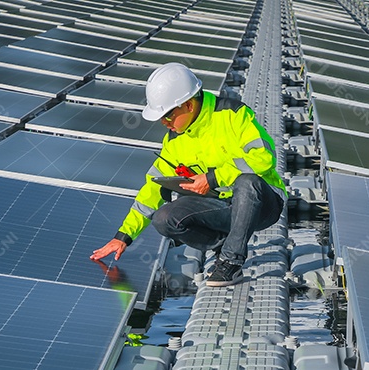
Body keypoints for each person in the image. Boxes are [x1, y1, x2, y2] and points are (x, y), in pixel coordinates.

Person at [90, 63, 286, 287]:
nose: (165, 123)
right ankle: (226, 244)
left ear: (188, 105)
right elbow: (153, 187)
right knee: (164, 218)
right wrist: (123, 236)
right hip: (223, 208)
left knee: (247, 182)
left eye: (168, 115)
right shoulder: (174, 141)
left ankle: (231, 262)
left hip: (263, 203)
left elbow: (264, 157)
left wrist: (213, 178)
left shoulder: (233, 115)